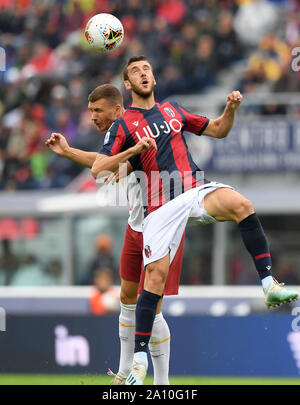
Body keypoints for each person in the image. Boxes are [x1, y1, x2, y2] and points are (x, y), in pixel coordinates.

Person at [91, 55, 299, 385]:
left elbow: (217, 130)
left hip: (194, 189)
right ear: (128, 84)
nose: (143, 73)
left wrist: (230, 109)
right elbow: (99, 168)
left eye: (147, 68)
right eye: (135, 71)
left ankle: (268, 284)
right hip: (159, 207)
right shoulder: (123, 124)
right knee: (154, 281)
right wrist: (133, 151)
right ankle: (140, 360)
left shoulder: (173, 110)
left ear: (154, 78)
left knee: (241, 204)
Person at [45, 83, 185, 385]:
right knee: (126, 297)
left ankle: (162, 384)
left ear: (117, 109)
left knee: (152, 307)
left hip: (159, 228)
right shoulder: (120, 139)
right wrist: (68, 151)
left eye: (97, 110)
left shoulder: (138, 133)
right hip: (136, 227)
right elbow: (103, 165)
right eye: (90, 110)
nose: (93, 117)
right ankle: (123, 375)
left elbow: (104, 167)